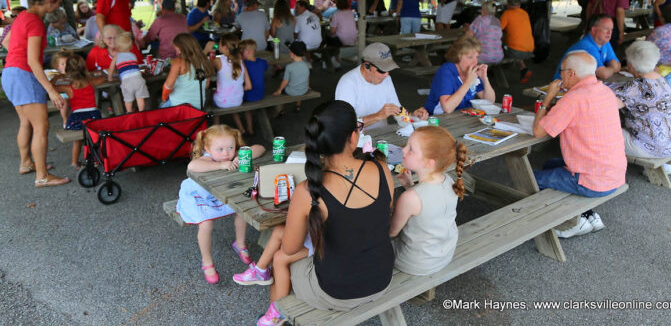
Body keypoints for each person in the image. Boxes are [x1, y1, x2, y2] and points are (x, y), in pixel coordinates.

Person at [255, 100, 394, 325]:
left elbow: (291, 248)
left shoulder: (308, 191)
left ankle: (275, 317)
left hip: (336, 292)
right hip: (381, 278)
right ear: (353, 137)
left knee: (281, 256)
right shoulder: (381, 167)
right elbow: (380, 214)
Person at [532, 51, 626, 238]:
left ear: (571, 74)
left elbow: (538, 132)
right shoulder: (606, 91)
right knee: (551, 164)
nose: (560, 75)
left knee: (530, 179)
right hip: (614, 174)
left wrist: (548, 98)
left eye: (562, 71)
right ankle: (588, 213)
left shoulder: (572, 100)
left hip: (591, 181)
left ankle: (574, 222)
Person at [1, 0, 70, 187]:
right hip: (23, 75)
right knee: (41, 125)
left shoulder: (22, 17)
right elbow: (32, 61)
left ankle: (26, 163)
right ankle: (42, 176)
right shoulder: (36, 22)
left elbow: (6, 43)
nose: (58, 6)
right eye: (58, 2)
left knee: (26, 122)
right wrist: (51, 90)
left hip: (9, 73)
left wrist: (18, 57)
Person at [176, 125, 265, 284]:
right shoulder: (209, 158)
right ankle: (207, 261)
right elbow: (193, 166)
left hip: (222, 194)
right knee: (206, 223)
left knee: (242, 208)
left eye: (230, 147)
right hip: (199, 196)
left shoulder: (232, 154)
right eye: (220, 149)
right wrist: (220, 165)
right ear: (207, 148)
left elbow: (260, 148)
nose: (226, 153)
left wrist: (242, 156)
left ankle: (240, 243)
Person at [390, 126, 467, 275]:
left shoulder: (410, 198)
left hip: (413, 262)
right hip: (442, 254)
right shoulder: (449, 180)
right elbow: (428, 206)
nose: (403, 151)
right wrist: (409, 185)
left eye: (410, 149)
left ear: (429, 163)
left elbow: (392, 232)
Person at [614, 41, 671, 173]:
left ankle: (605, 172)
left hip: (652, 147)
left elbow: (606, 106)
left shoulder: (635, 86)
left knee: (605, 133)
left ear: (631, 65)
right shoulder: (663, 80)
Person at [335, 43, 428, 129]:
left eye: (389, 69)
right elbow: (345, 124)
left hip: (381, 137)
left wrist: (413, 116)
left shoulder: (386, 78)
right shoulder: (348, 83)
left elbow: (398, 111)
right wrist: (378, 116)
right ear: (367, 66)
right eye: (382, 70)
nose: (387, 74)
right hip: (357, 141)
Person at [54, 54, 106, 170]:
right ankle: (96, 159)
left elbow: (52, 86)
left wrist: (58, 77)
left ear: (68, 71)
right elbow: (104, 77)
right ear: (84, 68)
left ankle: (74, 162)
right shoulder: (91, 82)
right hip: (94, 117)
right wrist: (92, 74)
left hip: (78, 120)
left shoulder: (68, 88)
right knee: (95, 138)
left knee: (78, 140)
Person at [425, 36, 495, 115]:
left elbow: (489, 102)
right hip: (437, 119)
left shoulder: (471, 72)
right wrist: (468, 82)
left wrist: (485, 78)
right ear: (458, 57)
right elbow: (447, 108)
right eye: (470, 57)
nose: (475, 61)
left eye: (477, 57)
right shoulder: (446, 72)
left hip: (462, 117)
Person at [554, 14, 620, 80]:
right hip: (562, 87)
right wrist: (612, 67)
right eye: (606, 29)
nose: (609, 33)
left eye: (611, 29)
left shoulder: (605, 42)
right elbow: (603, 74)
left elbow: (618, 65)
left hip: (578, 84)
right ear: (594, 30)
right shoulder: (586, 46)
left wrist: (610, 68)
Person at [162, 33, 214, 110]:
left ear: (181, 48)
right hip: (199, 106)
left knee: (160, 108)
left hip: (179, 107)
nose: (176, 52)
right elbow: (206, 85)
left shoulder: (178, 62)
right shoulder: (205, 60)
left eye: (176, 49)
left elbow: (168, 87)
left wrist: (164, 99)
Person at [108, 33, 149, 113]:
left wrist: (110, 77)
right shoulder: (133, 55)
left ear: (117, 48)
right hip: (139, 79)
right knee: (140, 98)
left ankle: (129, 112)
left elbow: (111, 68)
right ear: (130, 47)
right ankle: (142, 112)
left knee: (128, 99)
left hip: (127, 81)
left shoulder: (117, 57)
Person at [499, 0, 535, 83]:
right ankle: (524, 69)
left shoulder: (507, 13)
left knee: (501, 46)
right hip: (530, 49)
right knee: (515, 44)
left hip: (515, 51)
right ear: (519, 5)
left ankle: (492, 70)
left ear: (508, 4)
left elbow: (497, 29)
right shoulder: (525, 13)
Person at [273, 41, 310, 113]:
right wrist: (308, 86)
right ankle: (298, 106)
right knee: (299, 83)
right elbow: (307, 77)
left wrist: (279, 90)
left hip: (292, 92)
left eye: (289, 51)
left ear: (292, 54)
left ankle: (281, 110)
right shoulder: (306, 65)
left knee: (282, 92)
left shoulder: (289, 67)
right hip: (304, 90)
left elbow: (285, 81)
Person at [240, 39, 268, 135]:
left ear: (247, 52)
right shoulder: (261, 62)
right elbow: (266, 66)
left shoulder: (244, 64)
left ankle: (249, 127)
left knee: (247, 108)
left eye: (241, 51)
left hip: (249, 96)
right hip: (260, 93)